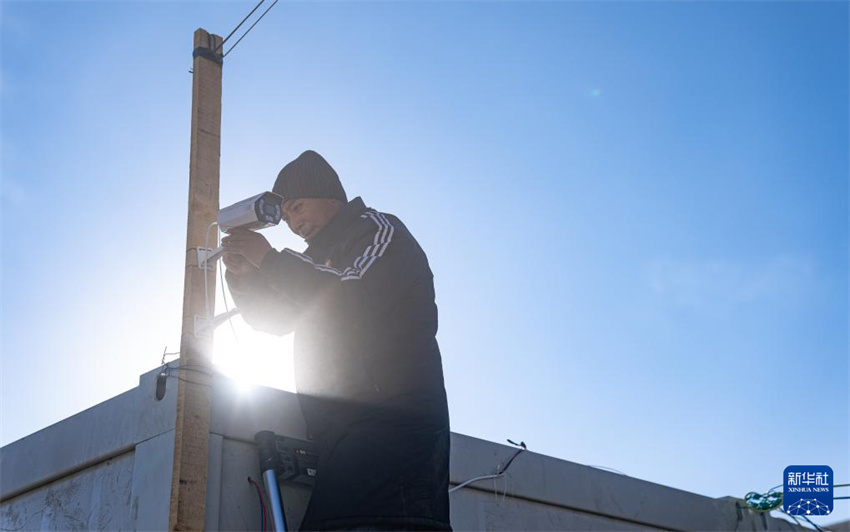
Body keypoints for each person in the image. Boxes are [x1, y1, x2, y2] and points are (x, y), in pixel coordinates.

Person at [222, 150, 452, 532]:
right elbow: (273, 321)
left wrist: (273, 260)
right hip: (340, 444)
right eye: (288, 216)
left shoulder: (379, 231)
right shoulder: (311, 262)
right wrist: (246, 275)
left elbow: (354, 299)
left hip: (396, 436)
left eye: (298, 207)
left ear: (329, 195)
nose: (294, 224)